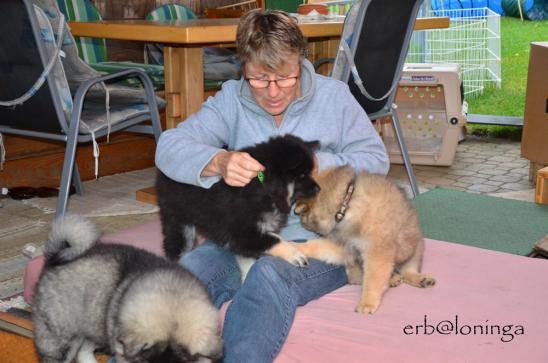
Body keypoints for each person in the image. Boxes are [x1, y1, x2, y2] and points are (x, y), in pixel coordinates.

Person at [155, 9, 389, 363]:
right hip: (249, 236)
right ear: (243, 67)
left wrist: (318, 166)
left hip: (324, 241)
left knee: (271, 275)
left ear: (301, 62)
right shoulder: (232, 99)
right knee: (189, 272)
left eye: (285, 78)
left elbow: (377, 159)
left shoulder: (334, 97)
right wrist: (218, 161)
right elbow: (169, 146)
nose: (274, 91)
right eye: (260, 80)